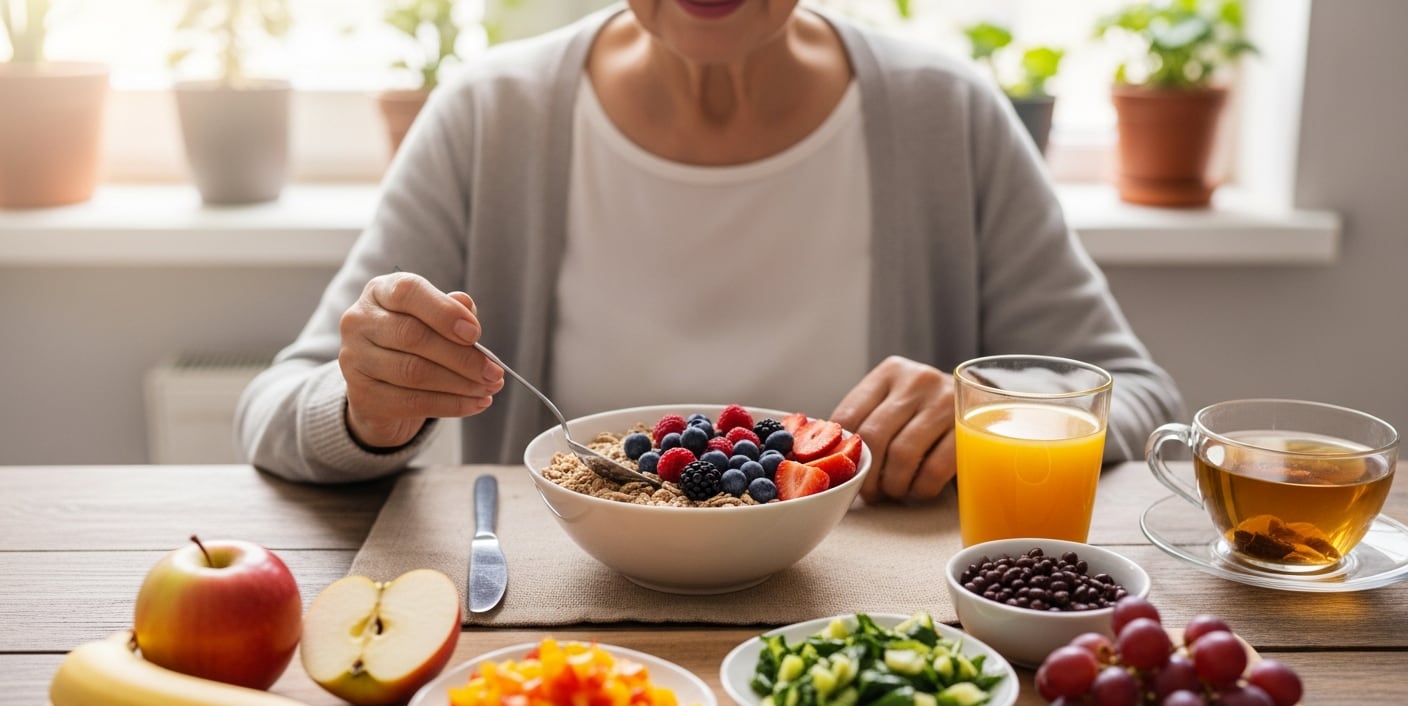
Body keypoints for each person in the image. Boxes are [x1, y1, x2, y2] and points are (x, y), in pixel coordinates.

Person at [236, 0, 1184, 502]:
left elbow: (1133, 393)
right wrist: (371, 408)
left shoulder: (945, 114)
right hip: (557, 636)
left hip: (870, 630)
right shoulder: (492, 114)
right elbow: (280, 409)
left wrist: (989, 410)